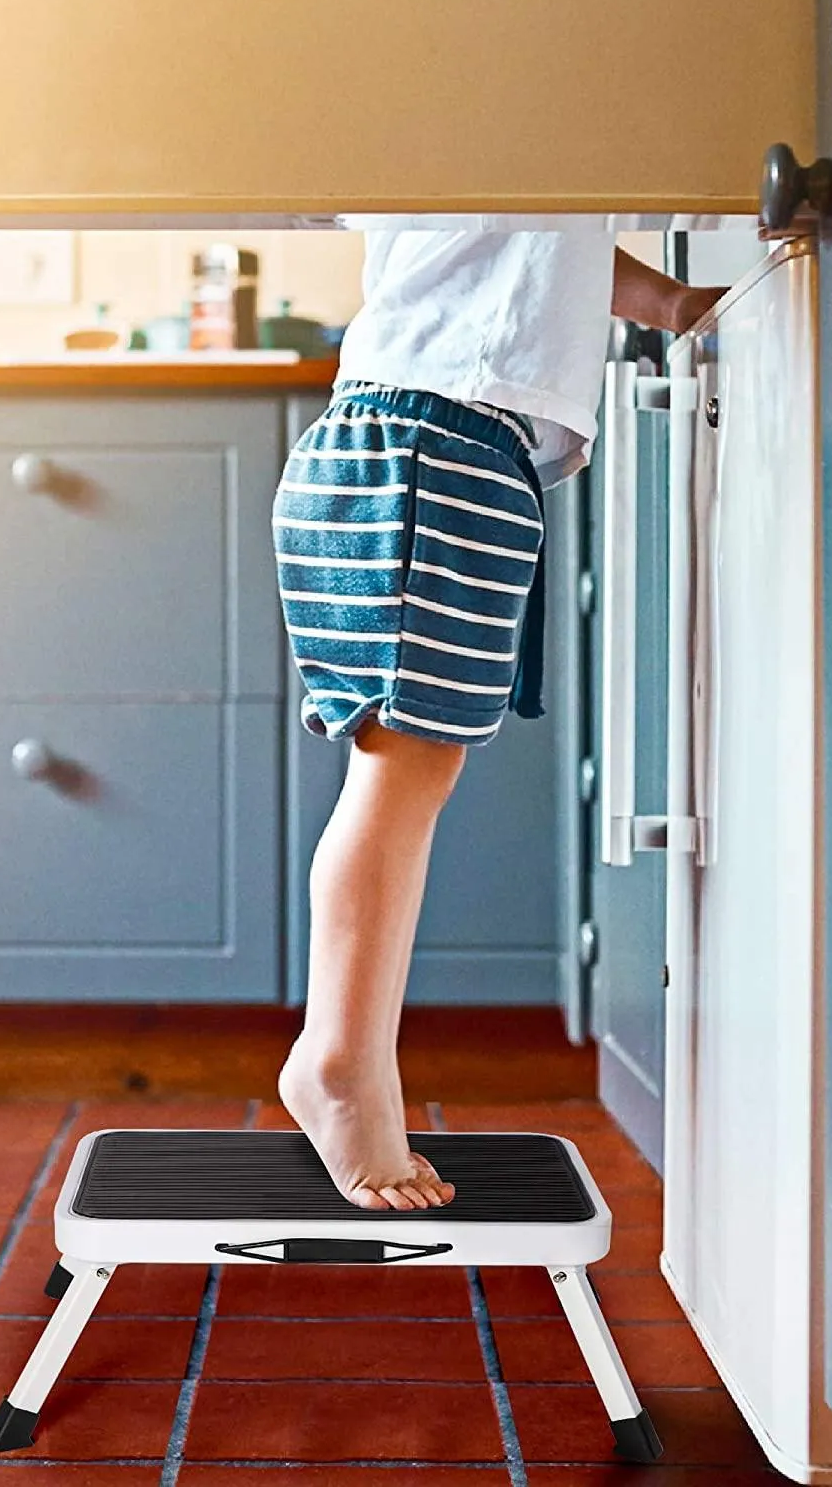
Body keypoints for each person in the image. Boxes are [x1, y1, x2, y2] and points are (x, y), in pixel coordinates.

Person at [276, 228, 727, 1211]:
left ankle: (343, 1056)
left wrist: (671, 305)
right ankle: (342, 1063)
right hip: (427, 445)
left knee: (410, 772)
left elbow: (556, 240)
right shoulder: (490, 95)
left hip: (453, 449)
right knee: (399, 773)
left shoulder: (524, 121)